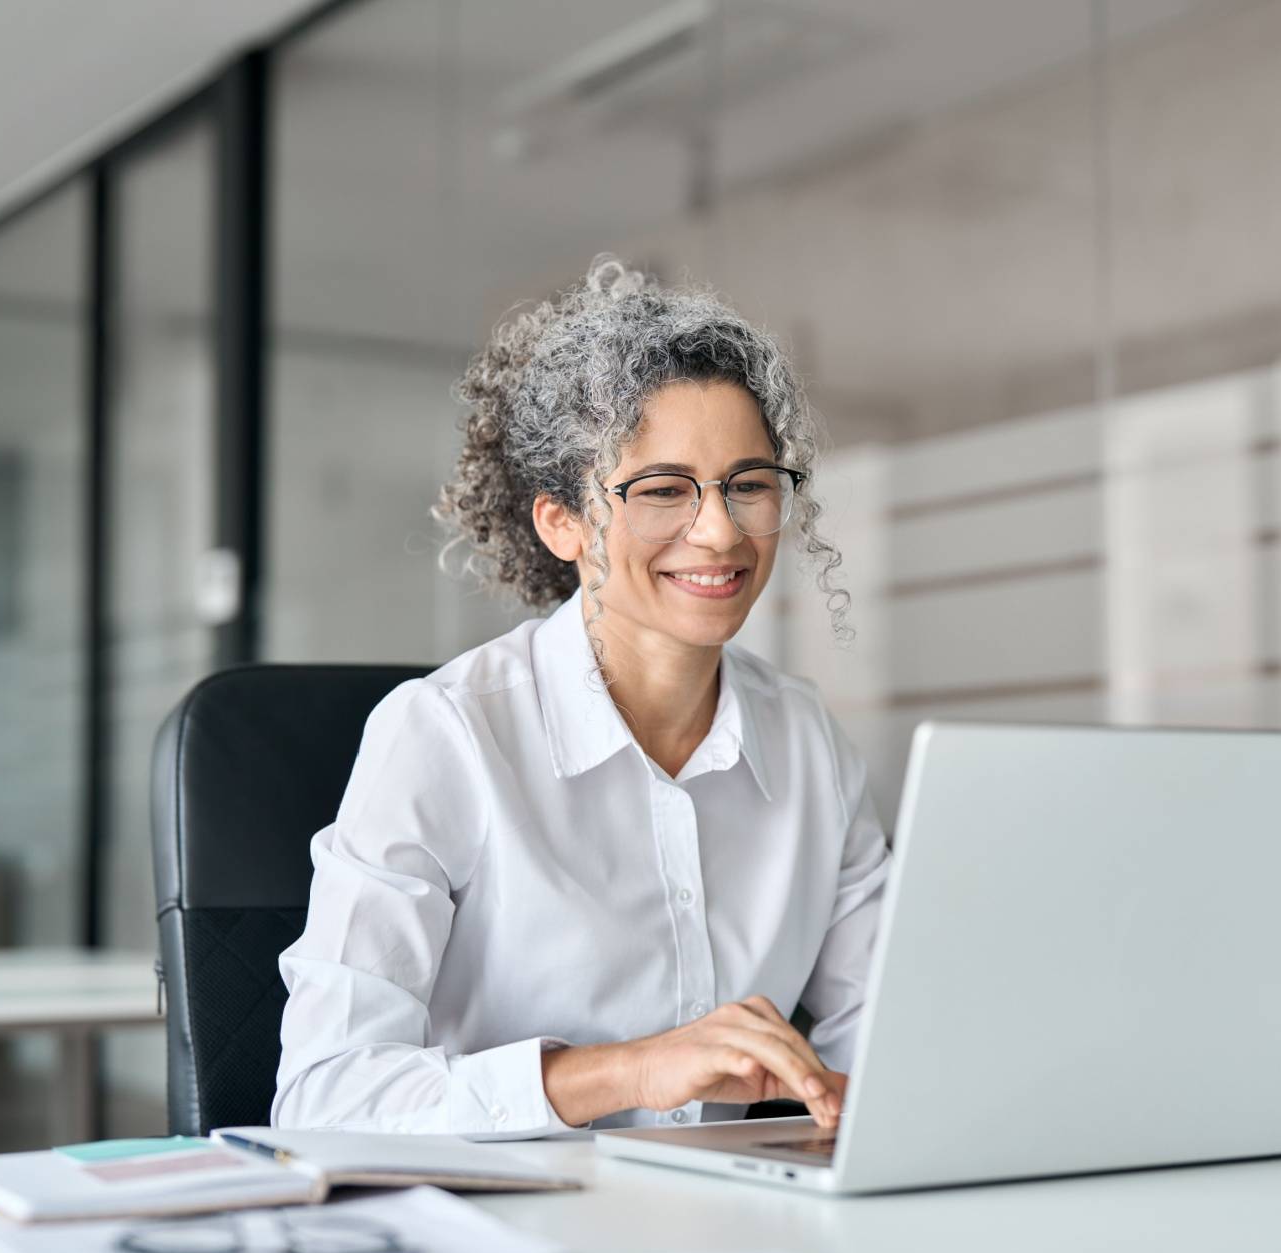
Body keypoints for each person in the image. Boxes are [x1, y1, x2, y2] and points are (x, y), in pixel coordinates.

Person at [271, 257, 890, 1138]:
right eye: (663, 490)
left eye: (748, 484)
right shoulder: (446, 735)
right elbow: (324, 1097)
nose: (718, 531)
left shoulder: (806, 744)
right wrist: (632, 1069)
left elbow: (884, 1030)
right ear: (560, 520)